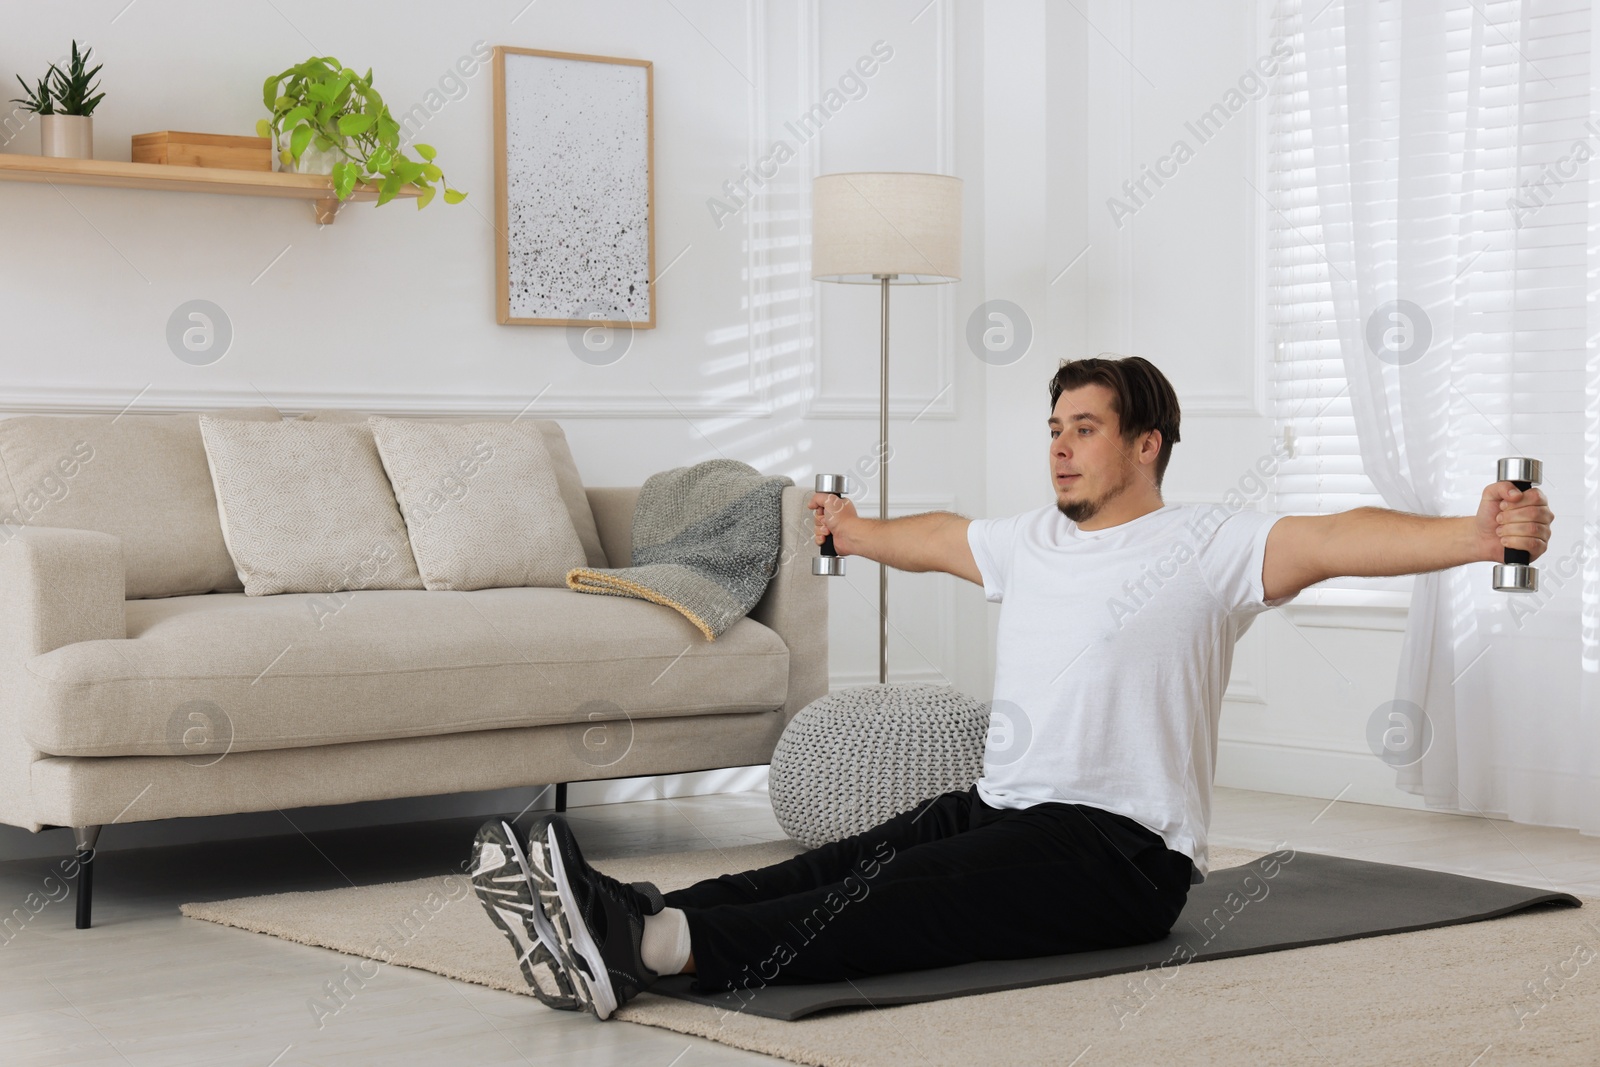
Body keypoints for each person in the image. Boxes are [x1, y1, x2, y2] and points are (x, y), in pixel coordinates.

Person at [469, 355, 1554, 1020]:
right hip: (1005, 804)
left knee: (896, 901)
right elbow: (938, 535)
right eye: (1051, 429)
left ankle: (667, 953)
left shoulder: (1213, 541)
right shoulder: (1031, 539)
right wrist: (851, 529)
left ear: (1146, 443)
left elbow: (1333, 537)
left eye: (1083, 429)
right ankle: (628, 912)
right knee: (842, 860)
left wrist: (1470, 532)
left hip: (1120, 851)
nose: (1060, 450)